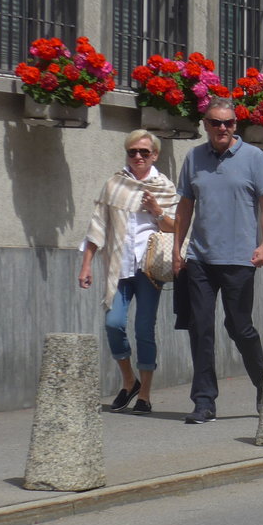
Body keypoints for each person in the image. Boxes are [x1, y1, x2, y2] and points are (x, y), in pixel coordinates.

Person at [172, 97, 263, 424]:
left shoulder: (253, 157)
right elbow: (185, 206)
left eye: (228, 123)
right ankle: (204, 402)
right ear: (205, 125)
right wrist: (178, 249)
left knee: (239, 327)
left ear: (235, 125)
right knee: (200, 328)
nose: (222, 128)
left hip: (239, 259)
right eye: (216, 123)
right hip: (200, 259)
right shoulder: (194, 158)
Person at [78, 130, 179, 413]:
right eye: (132, 151)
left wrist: (157, 210)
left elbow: (176, 228)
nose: (137, 156)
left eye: (144, 152)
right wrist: (86, 264)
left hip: (149, 269)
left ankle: (145, 393)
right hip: (118, 266)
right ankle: (128, 380)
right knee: (113, 323)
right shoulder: (114, 184)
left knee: (144, 329)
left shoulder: (164, 187)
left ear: (154, 155)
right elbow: (97, 225)